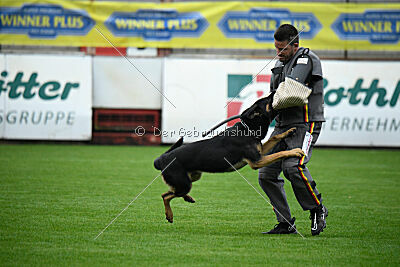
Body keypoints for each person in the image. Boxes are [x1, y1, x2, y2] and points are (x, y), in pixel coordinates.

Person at [259, 24, 328, 235]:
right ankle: (285, 223)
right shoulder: (281, 63)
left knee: (293, 166)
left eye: (283, 49)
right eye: (276, 48)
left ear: (295, 45)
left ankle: (317, 208)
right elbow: (274, 98)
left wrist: (267, 107)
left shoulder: (305, 59)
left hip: (305, 124)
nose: (278, 53)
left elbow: (290, 93)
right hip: (282, 126)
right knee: (266, 174)